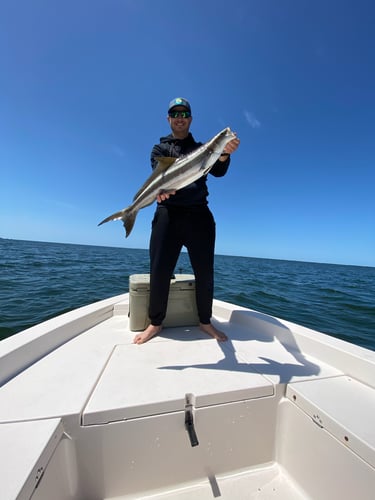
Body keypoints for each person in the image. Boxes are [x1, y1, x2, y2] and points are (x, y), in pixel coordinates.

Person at [133, 97, 240, 344]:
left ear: (190, 119)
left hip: (199, 216)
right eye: (175, 114)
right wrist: (163, 190)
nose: (180, 118)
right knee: (159, 271)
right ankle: (155, 323)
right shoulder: (159, 150)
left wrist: (223, 155)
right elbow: (158, 177)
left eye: (184, 114)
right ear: (169, 119)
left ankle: (205, 322)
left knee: (205, 272)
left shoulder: (202, 148)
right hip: (168, 215)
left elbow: (218, 171)